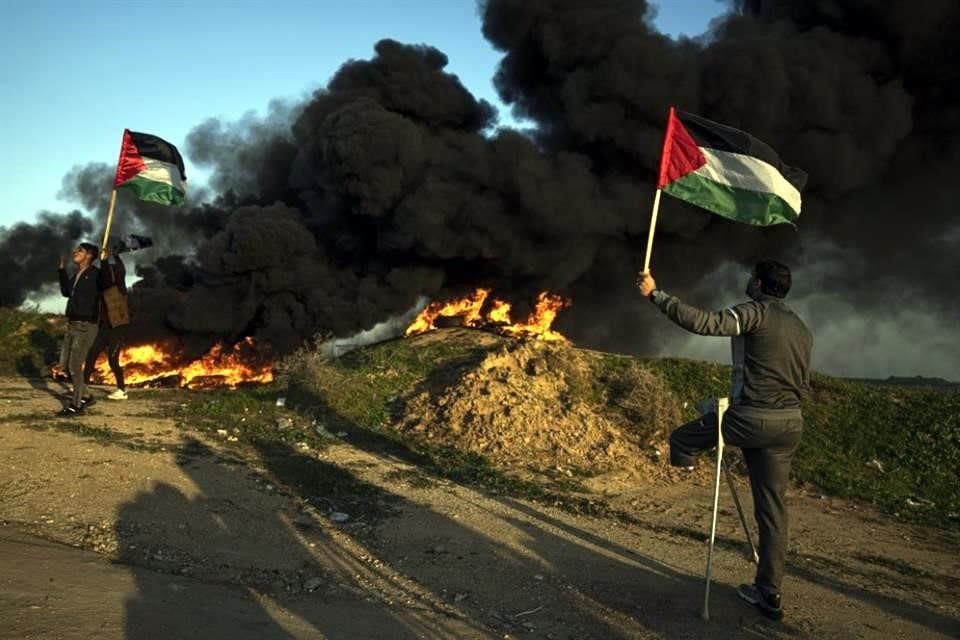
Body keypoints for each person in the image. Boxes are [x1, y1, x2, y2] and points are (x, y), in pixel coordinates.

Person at [637, 259, 813, 622]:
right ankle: (769, 592)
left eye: (752, 277)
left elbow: (704, 323)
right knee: (773, 511)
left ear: (760, 284)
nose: (748, 281)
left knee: (682, 438)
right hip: (789, 425)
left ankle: (681, 474)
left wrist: (656, 294)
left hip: (752, 419)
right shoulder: (801, 328)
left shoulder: (754, 313)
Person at [58, 242, 111, 415]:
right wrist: (62, 271)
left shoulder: (96, 274)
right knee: (64, 364)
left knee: (74, 366)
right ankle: (86, 395)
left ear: (89, 255)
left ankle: (77, 405)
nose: (75, 252)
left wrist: (104, 261)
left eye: (79, 250)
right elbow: (66, 292)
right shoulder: (77, 274)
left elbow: (107, 283)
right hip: (72, 323)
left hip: (86, 325)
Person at [83, 249, 129, 400]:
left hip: (118, 328)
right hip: (104, 329)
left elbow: (119, 271)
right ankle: (82, 385)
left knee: (113, 360)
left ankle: (122, 390)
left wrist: (112, 257)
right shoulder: (101, 291)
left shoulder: (120, 289)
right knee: (91, 355)